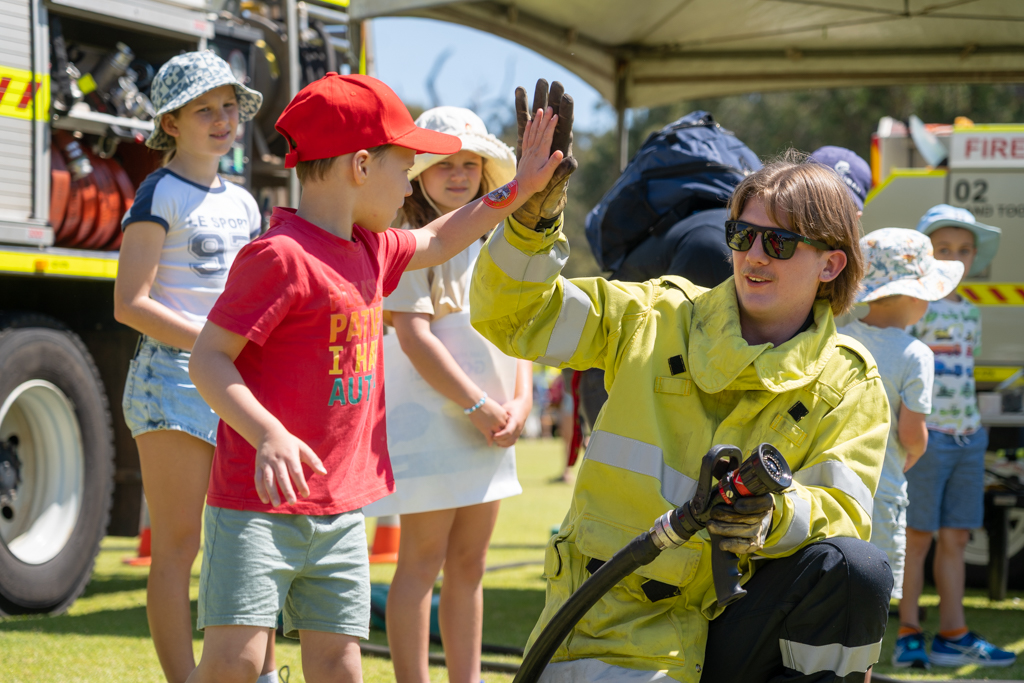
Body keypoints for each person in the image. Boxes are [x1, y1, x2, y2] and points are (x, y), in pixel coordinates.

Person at [472, 106, 894, 683]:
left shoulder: (850, 380)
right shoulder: (653, 316)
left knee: (857, 569)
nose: (754, 256)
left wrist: (772, 514)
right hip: (615, 625)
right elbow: (514, 316)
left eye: (779, 242)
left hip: (737, 626)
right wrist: (529, 221)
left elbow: (844, 518)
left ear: (831, 263)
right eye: (742, 235)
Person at [185, 74, 570, 683]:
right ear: (362, 166)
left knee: (342, 667)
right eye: (405, 166)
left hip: (342, 509)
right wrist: (267, 433)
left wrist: (521, 187)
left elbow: (441, 236)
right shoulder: (279, 256)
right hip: (257, 507)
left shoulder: (372, 249)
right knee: (233, 664)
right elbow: (207, 360)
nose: (410, 182)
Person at [111, 51, 278, 683]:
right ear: (170, 123)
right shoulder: (158, 192)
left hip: (234, 384)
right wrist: (216, 343)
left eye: (230, 106)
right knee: (180, 547)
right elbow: (131, 304)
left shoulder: (244, 203)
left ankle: (257, 673)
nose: (222, 119)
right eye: (204, 109)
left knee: (247, 545)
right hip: (171, 387)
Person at [359, 106, 533, 683]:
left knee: (470, 563)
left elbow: (522, 330)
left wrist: (522, 401)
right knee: (420, 561)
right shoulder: (407, 243)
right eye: (443, 164)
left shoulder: (501, 241)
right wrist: (479, 406)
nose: (458, 174)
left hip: (493, 423)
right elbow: (411, 335)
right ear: (419, 174)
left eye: (469, 163)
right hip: (439, 422)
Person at [896, 204, 1014, 668]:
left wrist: (975, 430)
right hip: (929, 439)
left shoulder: (970, 311)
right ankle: (908, 632)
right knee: (917, 538)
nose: (955, 257)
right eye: (943, 248)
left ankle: (952, 632)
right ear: (925, 255)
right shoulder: (915, 308)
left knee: (957, 539)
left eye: (964, 250)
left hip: (968, 437)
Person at [838, 229, 962, 620]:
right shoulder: (915, 355)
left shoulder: (838, 338)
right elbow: (911, 433)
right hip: (883, 491)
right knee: (868, 614)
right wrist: (917, 450)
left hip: (832, 490)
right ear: (915, 294)